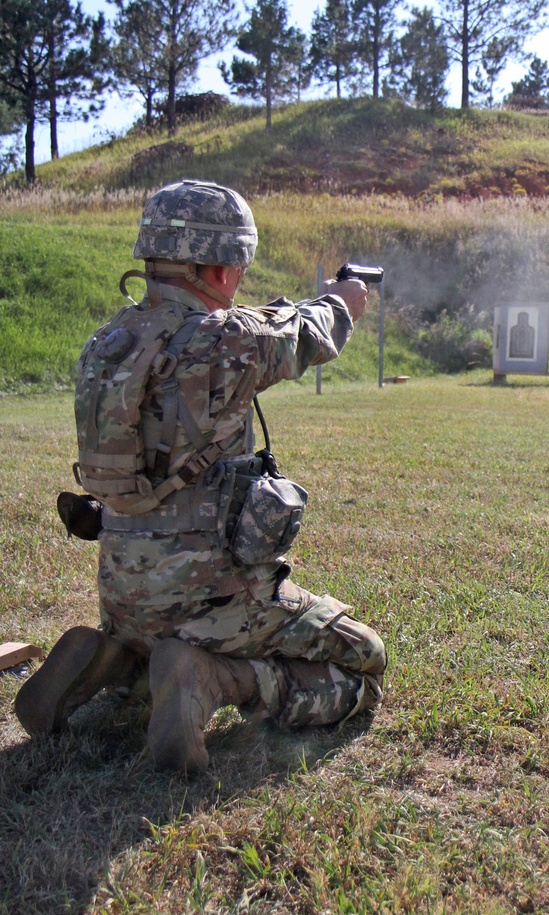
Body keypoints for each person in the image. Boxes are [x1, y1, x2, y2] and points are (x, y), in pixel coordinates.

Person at [15, 179, 386, 773]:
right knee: (365, 661)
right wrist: (343, 300)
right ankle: (215, 679)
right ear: (220, 268)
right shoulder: (230, 344)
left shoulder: (109, 343)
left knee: (154, 635)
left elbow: (251, 326)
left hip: (125, 594)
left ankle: (117, 659)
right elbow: (309, 333)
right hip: (211, 602)